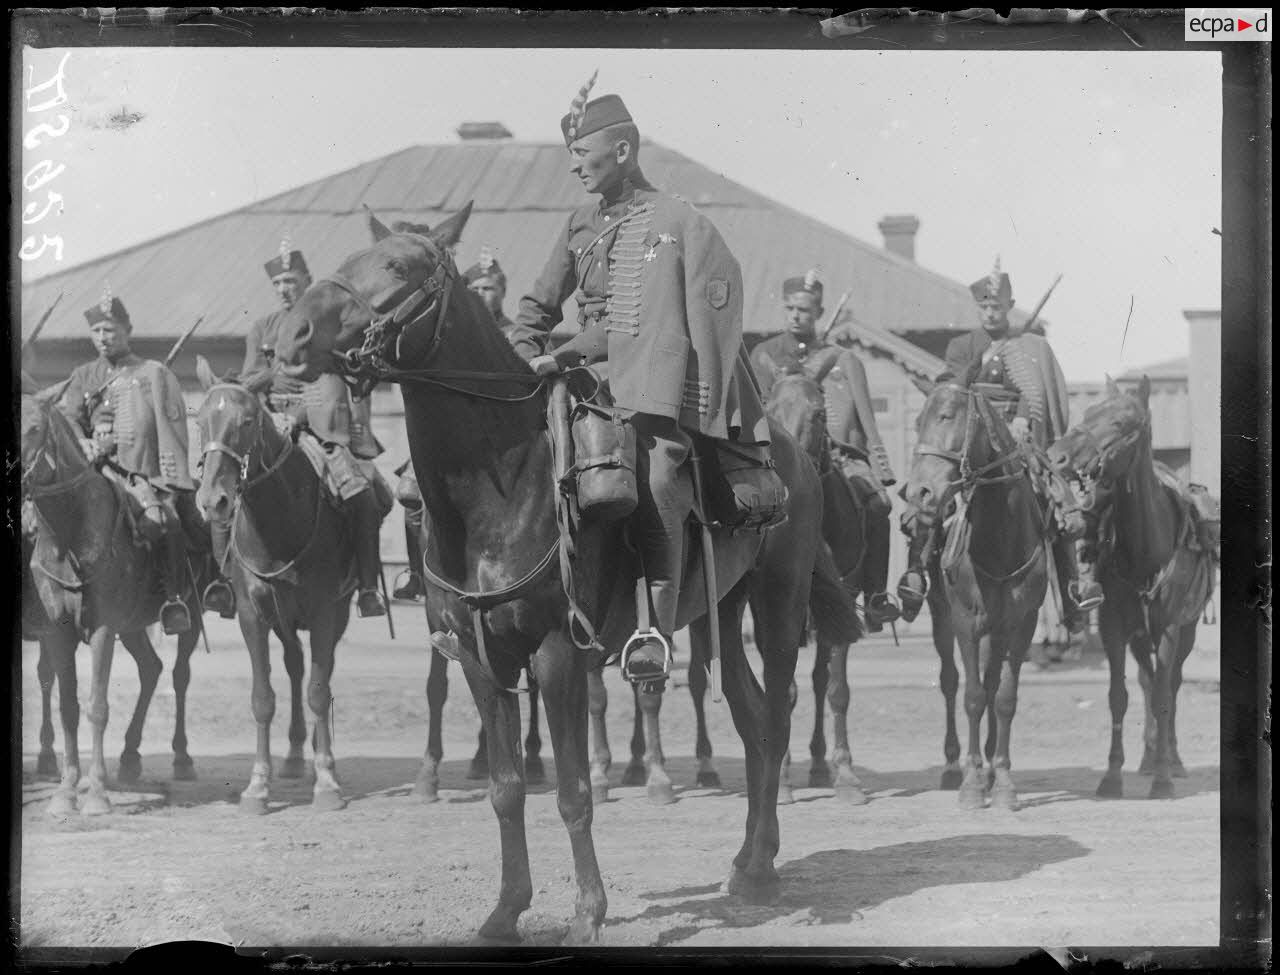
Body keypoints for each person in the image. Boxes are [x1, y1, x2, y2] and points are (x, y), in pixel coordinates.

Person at [514, 73, 780, 686]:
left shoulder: (674, 223)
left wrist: (559, 357)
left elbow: (649, 329)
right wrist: (522, 355)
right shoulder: (580, 223)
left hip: (653, 388)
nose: (576, 168)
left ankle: (652, 632)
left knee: (658, 474)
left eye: (583, 155)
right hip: (583, 384)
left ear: (624, 151)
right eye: (573, 156)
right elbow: (536, 307)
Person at [897, 258, 1103, 631]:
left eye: (997, 306)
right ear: (978, 308)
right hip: (970, 436)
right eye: (985, 306)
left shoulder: (1026, 345)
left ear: (1009, 306)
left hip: (1015, 437)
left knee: (1055, 497)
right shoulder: (964, 345)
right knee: (933, 496)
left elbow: (1031, 391)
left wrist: (1024, 417)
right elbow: (948, 389)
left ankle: (1074, 591)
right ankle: (916, 574)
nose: (990, 312)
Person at [203, 238, 390, 618]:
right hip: (266, 427)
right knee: (222, 490)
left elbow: (333, 379)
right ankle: (225, 582)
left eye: (291, 280)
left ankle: (367, 587)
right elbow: (252, 377)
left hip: (317, 429)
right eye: (278, 283)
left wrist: (300, 416)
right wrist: (268, 415)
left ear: (307, 280)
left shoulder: (328, 327)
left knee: (364, 494)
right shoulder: (262, 329)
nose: (285, 289)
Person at [750, 271, 901, 631]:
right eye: (790, 308)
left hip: (837, 455)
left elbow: (866, 419)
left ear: (818, 311)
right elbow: (755, 410)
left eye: (804, 309)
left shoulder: (842, 360)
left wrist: (879, 465)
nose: (795, 316)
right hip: (776, 458)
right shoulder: (763, 355)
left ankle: (876, 596)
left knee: (879, 505)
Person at [54, 287, 207, 634]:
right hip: (91, 470)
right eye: (97, 331)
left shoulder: (150, 372)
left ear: (127, 330)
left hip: (134, 472)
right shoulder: (83, 375)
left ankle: (172, 599)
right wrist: (84, 442)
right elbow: (70, 418)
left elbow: (168, 426)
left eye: (110, 330)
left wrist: (163, 476)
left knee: (166, 520)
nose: (103, 338)